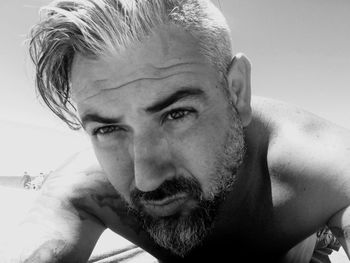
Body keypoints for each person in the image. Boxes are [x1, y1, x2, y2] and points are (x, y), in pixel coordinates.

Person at [1, 0, 349, 262]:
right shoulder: (86, 191)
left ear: (237, 92)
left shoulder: (325, 168)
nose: (147, 179)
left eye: (176, 114)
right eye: (108, 129)